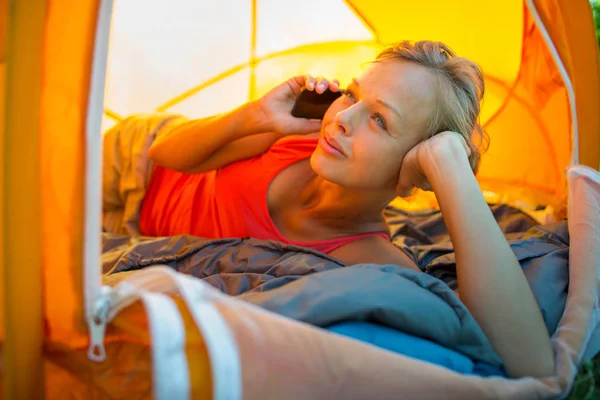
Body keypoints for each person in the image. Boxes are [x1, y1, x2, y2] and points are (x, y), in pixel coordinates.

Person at [102, 40, 554, 379]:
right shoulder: (296, 135)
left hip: (141, 230)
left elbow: (530, 364)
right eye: (352, 95)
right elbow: (162, 152)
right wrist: (255, 116)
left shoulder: (372, 260)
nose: (342, 118)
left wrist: (452, 168)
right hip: (135, 163)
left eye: (379, 119)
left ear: (419, 166)